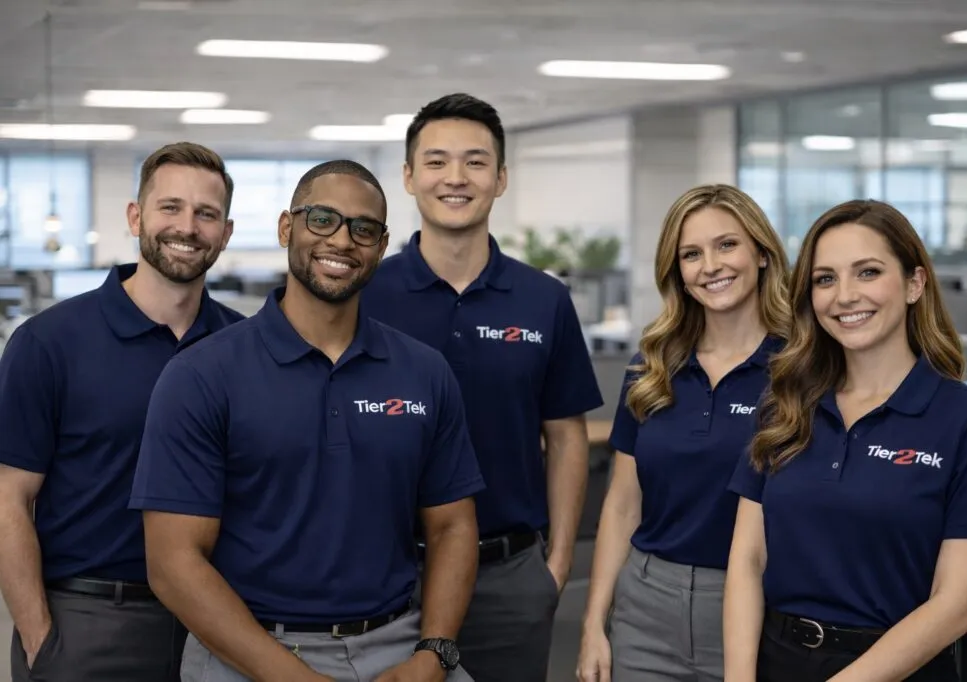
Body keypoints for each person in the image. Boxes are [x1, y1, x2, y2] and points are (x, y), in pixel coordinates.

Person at [128, 160, 483, 682]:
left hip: (400, 649)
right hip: (248, 651)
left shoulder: (424, 371)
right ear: (285, 228)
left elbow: (452, 525)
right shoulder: (201, 374)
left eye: (363, 229)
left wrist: (434, 653)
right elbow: (174, 563)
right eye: (321, 219)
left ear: (381, 248)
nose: (341, 240)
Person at [360, 92, 604, 682]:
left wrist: (558, 562)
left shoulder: (543, 300)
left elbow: (567, 437)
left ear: (499, 179)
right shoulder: (365, 294)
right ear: (409, 177)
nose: (456, 177)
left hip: (507, 577)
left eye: (474, 161)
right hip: (382, 574)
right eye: (437, 161)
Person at [725, 199, 967, 682]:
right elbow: (747, 559)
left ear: (913, 284)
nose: (844, 296)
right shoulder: (785, 405)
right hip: (776, 660)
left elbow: (956, 605)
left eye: (867, 272)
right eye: (825, 279)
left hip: (899, 668)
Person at [0, 141, 244, 682]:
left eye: (207, 214)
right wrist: (42, 640)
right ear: (136, 217)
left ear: (226, 233)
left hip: (221, 623)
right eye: (170, 207)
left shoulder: (245, 346)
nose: (188, 226)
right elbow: (8, 499)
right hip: (92, 621)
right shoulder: (49, 342)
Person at [575, 185, 791, 682]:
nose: (710, 265)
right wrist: (593, 624)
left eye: (726, 245)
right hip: (646, 606)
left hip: (758, 605)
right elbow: (623, 504)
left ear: (761, 252)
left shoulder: (801, 370)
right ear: (678, 273)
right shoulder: (651, 368)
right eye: (691, 254)